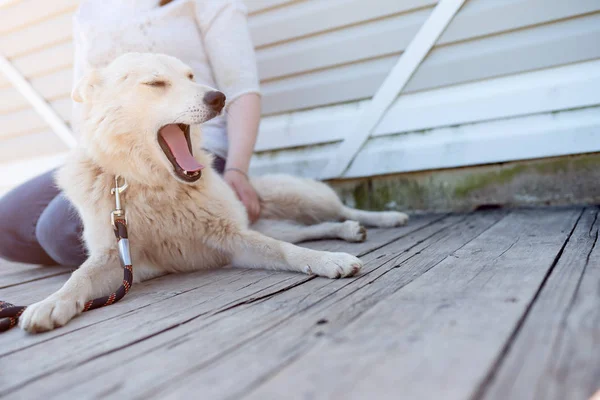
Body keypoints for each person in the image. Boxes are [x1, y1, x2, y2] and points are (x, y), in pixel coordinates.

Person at [0, 0, 262, 267]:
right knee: (5, 227)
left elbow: (242, 89)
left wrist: (237, 169)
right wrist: (92, 166)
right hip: (117, 153)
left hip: (188, 152)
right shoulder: (90, 8)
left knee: (60, 234)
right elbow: (86, 100)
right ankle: (150, 248)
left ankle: (150, 251)